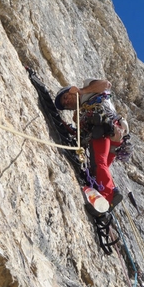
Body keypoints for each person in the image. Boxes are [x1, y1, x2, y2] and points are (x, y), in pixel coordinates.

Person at [54, 78, 128, 213]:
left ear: (72, 90)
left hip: (105, 130)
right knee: (97, 170)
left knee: (98, 163)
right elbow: (81, 136)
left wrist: (82, 91)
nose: (66, 103)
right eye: (65, 105)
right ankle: (109, 192)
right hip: (114, 137)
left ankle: (108, 196)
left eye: (65, 97)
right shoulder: (80, 114)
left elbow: (106, 84)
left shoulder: (88, 88)